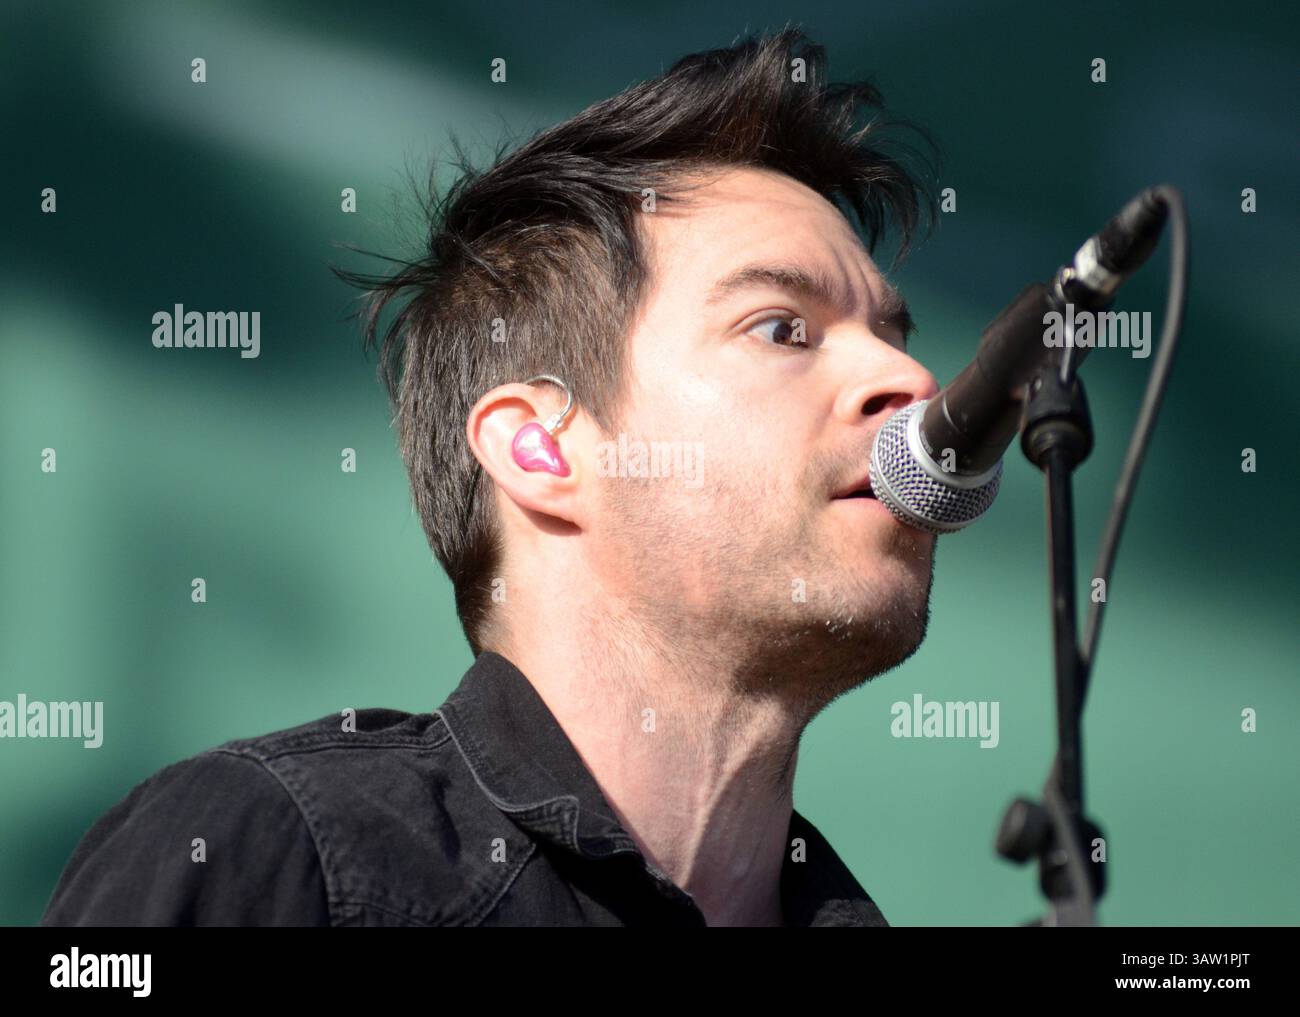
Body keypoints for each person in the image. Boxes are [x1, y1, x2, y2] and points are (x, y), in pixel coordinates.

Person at [42, 27, 941, 928]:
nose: (908, 380)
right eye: (781, 328)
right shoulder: (275, 846)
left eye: (892, 335)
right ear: (540, 449)